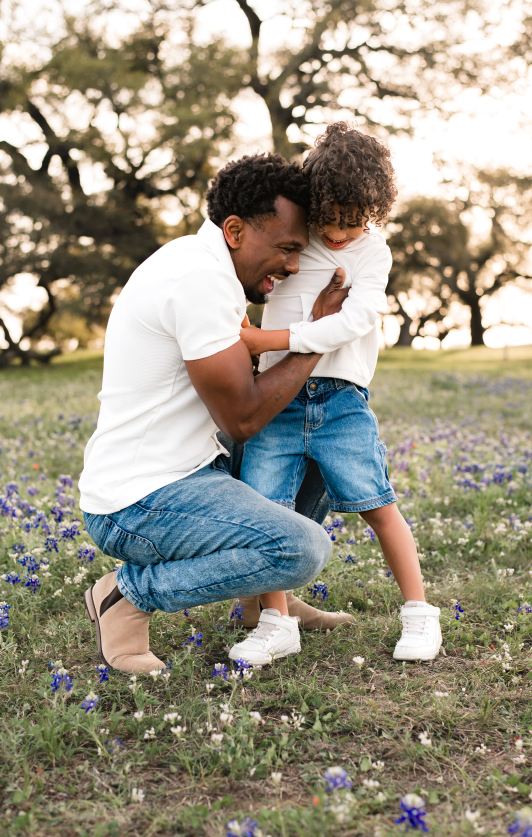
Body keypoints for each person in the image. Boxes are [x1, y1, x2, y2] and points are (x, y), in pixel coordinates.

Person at [78, 153, 351, 674]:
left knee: (321, 436)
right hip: (137, 501)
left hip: (194, 468)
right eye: (287, 249)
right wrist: (318, 337)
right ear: (234, 230)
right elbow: (242, 418)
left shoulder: (206, 266)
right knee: (302, 549)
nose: (292, 266)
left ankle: (262, 601)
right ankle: (126, 596)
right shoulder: (197, 279)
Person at [228, 123, 442, 666]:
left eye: (356, 219)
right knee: (265, 510)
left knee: (377, 503)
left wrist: (269, 338)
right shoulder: (292, 241)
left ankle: (418, 613)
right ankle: (275, 622)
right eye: (332, 218)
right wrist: (254, 341)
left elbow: (357, 318)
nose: (342, 232)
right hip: (278, 400)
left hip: (342, 399)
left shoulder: (373, 251)